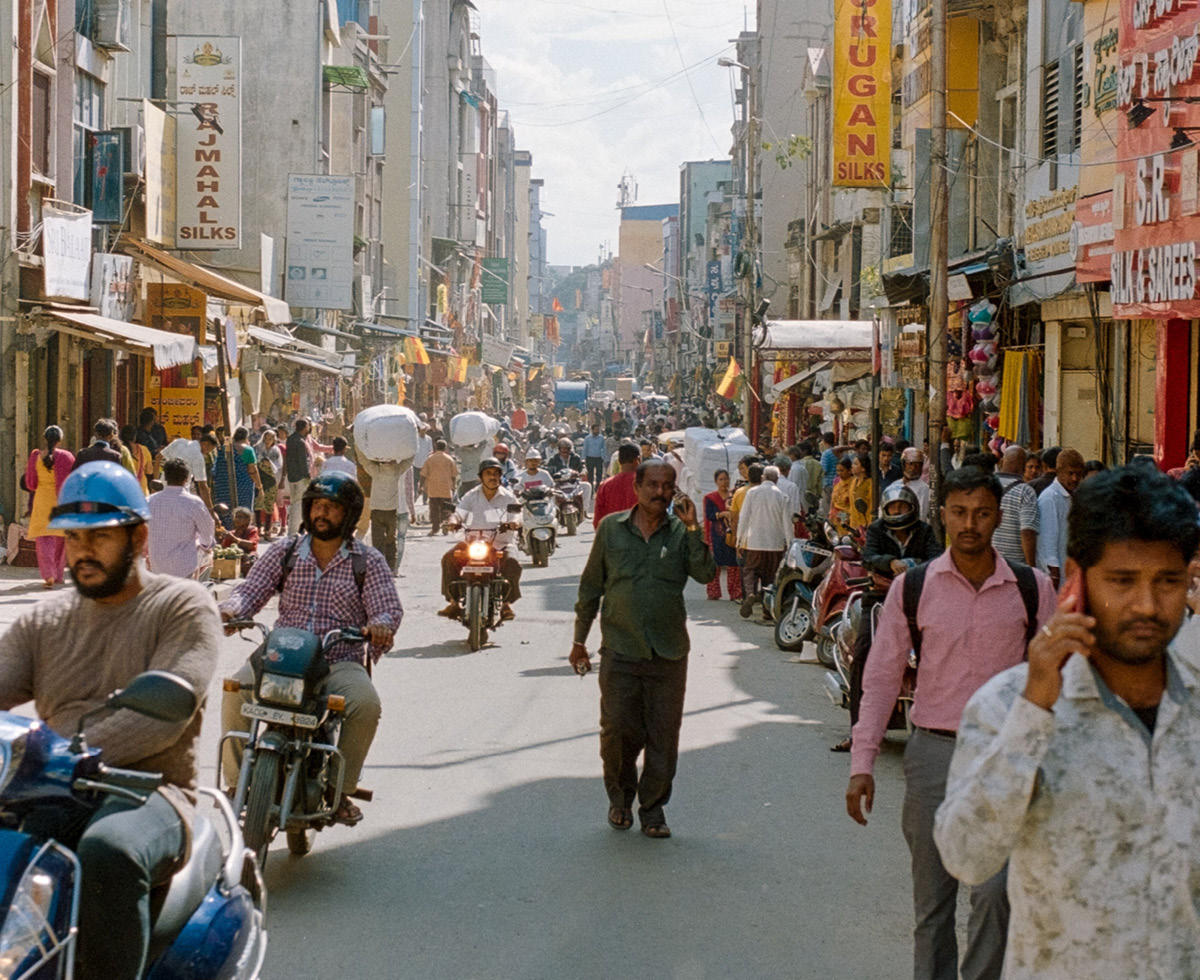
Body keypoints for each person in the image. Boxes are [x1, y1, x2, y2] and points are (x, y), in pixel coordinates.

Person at [933, 466, 1200, 980]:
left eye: (1167, 581)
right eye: (1123, 581)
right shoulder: (1009, 705)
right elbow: (966, 856)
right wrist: (1034, 711)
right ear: (1078, 577)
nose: (1146, 604)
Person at [0, 461, 218, 980]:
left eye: (98, 538)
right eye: (73, 540)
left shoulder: (183, 605)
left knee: (109, 852)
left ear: (139, 536)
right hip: (48, 789)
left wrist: (64, 751)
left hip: (149, 793)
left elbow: (171, 706)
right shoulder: (45, 619)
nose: (82, 552)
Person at [846, 466, 1057, 980]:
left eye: (982, 513)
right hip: (933, 756)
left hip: (1005, 759)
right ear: (942, 516)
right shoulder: (914, 588)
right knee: (933, 908)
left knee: (995, 896)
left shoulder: (1032, 588)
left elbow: (1061, 678)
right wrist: (863, 760)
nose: (970, 524)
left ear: (997, 517)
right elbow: (881, 677)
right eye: (959, 512)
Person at [220, 472, 403, 826]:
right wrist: (231, 611)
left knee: (366, 705)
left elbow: (387, 607)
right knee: (234, 688)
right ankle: (236, 783)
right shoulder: (283, 551)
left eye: (331, 508)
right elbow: (250, 590)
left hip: (338, 661)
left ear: (347, 515)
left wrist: (380, 624)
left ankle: (339, 790)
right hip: (282, 656)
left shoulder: (367, 561)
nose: (322, 513)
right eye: (317, 505)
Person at [569, 461, 715, 838]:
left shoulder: (682, 532)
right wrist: (579, 641)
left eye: (668, 486)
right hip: (620, 649)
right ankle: (620, 800)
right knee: (618, 730)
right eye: (652, 484)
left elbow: (705, 573)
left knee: (663, 735)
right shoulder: (610, 530)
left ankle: (652, 810)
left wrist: (695, 527)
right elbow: (590, 588)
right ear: (635, 486)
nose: (660, 493)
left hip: (668, 653)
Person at [830, 483, 942, 752]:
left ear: (912, 507)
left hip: (917, 600)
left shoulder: (925, 531)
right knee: (865, 652)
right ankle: (858, 731)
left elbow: (937, 558)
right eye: (893, 507)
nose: (898, 511)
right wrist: (890, 562)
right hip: (878, 599)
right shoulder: (878, 529)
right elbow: (869, 557)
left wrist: (914, 565)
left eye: (902, 506)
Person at [438, 458, 523, 621]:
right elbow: (459, 513)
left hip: (500, 544)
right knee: (449, 559)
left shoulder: (508, 497)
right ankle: (454, 601)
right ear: (481, 477)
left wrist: (514, 522)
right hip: (473, 543)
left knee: (513, 562)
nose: (493, 477)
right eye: (488, 473)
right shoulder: (471, 496)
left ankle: (506, 604)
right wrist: (453, 522)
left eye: (496, 474)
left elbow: (517, 514)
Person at [735, 464, 794, 618]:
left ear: (763, 477)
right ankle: (767, 612)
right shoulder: (783, 496)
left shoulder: (752, 493)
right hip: (775, 544)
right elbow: (787, 524)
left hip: (755, 541)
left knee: (750, 571)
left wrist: (739, 540)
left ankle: (750, 594)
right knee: (770, 577)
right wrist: (790, 544)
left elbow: (744, 518)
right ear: (777, 479)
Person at [146, 459, 216, 579]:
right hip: (184, 567)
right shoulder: (194, 503)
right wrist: (206, 546)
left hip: (156, 565)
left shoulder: (150, 501)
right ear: (187, 478)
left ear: (165, 477)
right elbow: (208, 534)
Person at [24, 425, 75, 588]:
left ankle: (48, 574)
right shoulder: (66, 456)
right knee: (60, 538)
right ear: (60, 440)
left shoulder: (35, 456)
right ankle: (58, 574)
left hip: (42, 499)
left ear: (45, 438)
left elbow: (31, 483)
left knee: (44, 538)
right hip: (61, 500)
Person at [1036, 448, 1085, 588]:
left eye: (1078, 474)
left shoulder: (1072, 496)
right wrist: (1053, 570)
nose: (1075, 478)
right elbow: (1048, 538)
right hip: (1056, 574)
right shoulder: (1050, 498)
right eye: (1070, 474)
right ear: (1058, 472)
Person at [359, 458, 410, 575]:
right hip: (391, 511)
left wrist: (358, 446)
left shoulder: (375, 471)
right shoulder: (397, 470)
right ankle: (391, 567)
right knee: (391, 540)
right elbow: (408, 461)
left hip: (377, 510)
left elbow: (364, 462)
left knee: (377, 541)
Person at [992, 445, 1038, 566]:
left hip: (988, 563)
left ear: (1001, 462)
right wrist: (1031, 568)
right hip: (1015, 566)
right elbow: (1027, 532)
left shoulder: (986, 486)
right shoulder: (1026, 491)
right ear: (1024, 466)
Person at [703, 468, 743, 601]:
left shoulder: (734, 496)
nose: (724, 482)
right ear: (715, 481)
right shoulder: (710, 498)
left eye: (726, 479)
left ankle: (735, 592)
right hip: (716, 535)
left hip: (732, 533)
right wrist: (722, 514)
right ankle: (713, 592)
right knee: (715, 564)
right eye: (721, 479)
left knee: (733, 564)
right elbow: (709, 515)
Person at [211, 427, 262, 530]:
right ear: (246, 437)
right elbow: (252, 470)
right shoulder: (248, 450)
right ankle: (241, 531)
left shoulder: (224, 448)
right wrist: (259, 486)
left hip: (223, 485)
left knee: (225, 508)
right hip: (243, 486)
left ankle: (225, 531)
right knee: (243, 509)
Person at [160, 431, 219, 519]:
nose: (208, 453)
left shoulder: (179, 441)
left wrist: (156, 479)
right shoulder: (198, 457)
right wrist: (210, 511)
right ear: (205, 444)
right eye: (209, 450)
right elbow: (203, 486)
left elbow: (158, 457)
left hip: (163, 485)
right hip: (181, 492)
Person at [592, 444, 640, 527]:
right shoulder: (645, 483)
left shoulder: (605, 485)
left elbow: (598, 521)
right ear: (637, 460)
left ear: (619, 461)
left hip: (614, 535)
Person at [284, 419, 315, 535]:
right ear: (304, 427)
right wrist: (307, 476)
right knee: (298, 504)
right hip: (300, 477)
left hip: (292, 476)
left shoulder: (291, 439)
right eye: (308, 426)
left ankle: (295, 530)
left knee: (295, 503)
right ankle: (293, 531)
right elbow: (302, 462)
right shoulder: (300, 442)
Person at [421, 439, 459, 534]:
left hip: (433, 489)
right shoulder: (449, 459)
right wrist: (453, 485)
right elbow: (454, 475)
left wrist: (421, 486)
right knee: (446, 509)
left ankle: (435, 528)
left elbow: (423, 474)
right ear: (445, 448)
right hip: (445, 488)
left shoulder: (430, 459)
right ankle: (445, 524)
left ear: (435, 446)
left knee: (434, 510)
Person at [254, 429, 282, 536]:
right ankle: (258, 528)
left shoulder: (276, 451)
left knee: (269, 505)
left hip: (271, 479)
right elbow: (254, 460)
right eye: (266, 437)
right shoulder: (257, 448)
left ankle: (267, 529)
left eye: (271, 438)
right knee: (258, 504)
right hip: (259, 478)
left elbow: (278, 465)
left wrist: (269, 464)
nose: (268, 440)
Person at [120, 424, 155, 495]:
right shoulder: (144, 450)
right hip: (141, 492)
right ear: (135, 436)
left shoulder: (118, 450)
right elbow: (149, 471)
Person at [829, 455, 856, 536]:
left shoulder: (854, 483)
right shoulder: (837, 482)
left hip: (846, 517)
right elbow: (832, 501)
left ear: (849, 471)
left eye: (842, 470)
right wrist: (830, 513)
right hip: (834, 516)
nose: (839, 473)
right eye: (838, 471)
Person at [848, 453, 873, 532]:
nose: (852, 466)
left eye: (855, 464)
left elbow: (872, 506)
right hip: (853, 525)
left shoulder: (870, 483)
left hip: (865, 525)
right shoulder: (853, 481)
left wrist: (869, 524)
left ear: (863, 468)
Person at [582, 423, 607, 487]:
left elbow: (604, 448)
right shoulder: (587, 438)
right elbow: (585, 448)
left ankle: (597, 487)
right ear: (592, 430)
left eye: (598, 429)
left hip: (598, 458)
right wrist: (583, 458)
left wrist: (604, 458)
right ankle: (591, 488)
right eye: (596, 429)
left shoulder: (601, 438)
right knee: (590, 474)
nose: (597, 431)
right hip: (590, 458)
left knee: (599, 474)